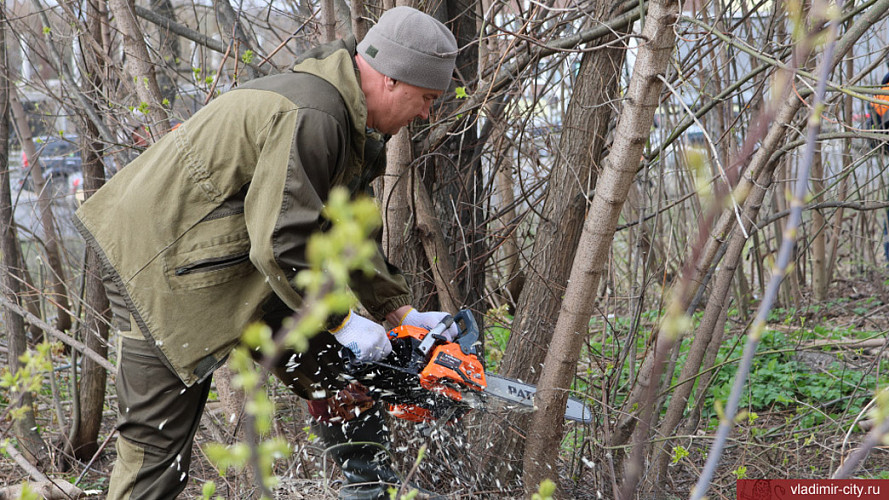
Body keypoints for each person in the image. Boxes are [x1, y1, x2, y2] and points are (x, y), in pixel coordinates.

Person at [73, 7, 459, 500]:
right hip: (159, 265)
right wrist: (341, 320)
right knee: (158, 449)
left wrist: (397, 311)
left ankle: (369, 487)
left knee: (342, 373)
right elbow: (281, 244)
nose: (426, 113)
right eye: (426, 98)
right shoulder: (315, 115)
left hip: (239, 266)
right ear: (389, 79)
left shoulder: (348, 119)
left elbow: (348, 231)